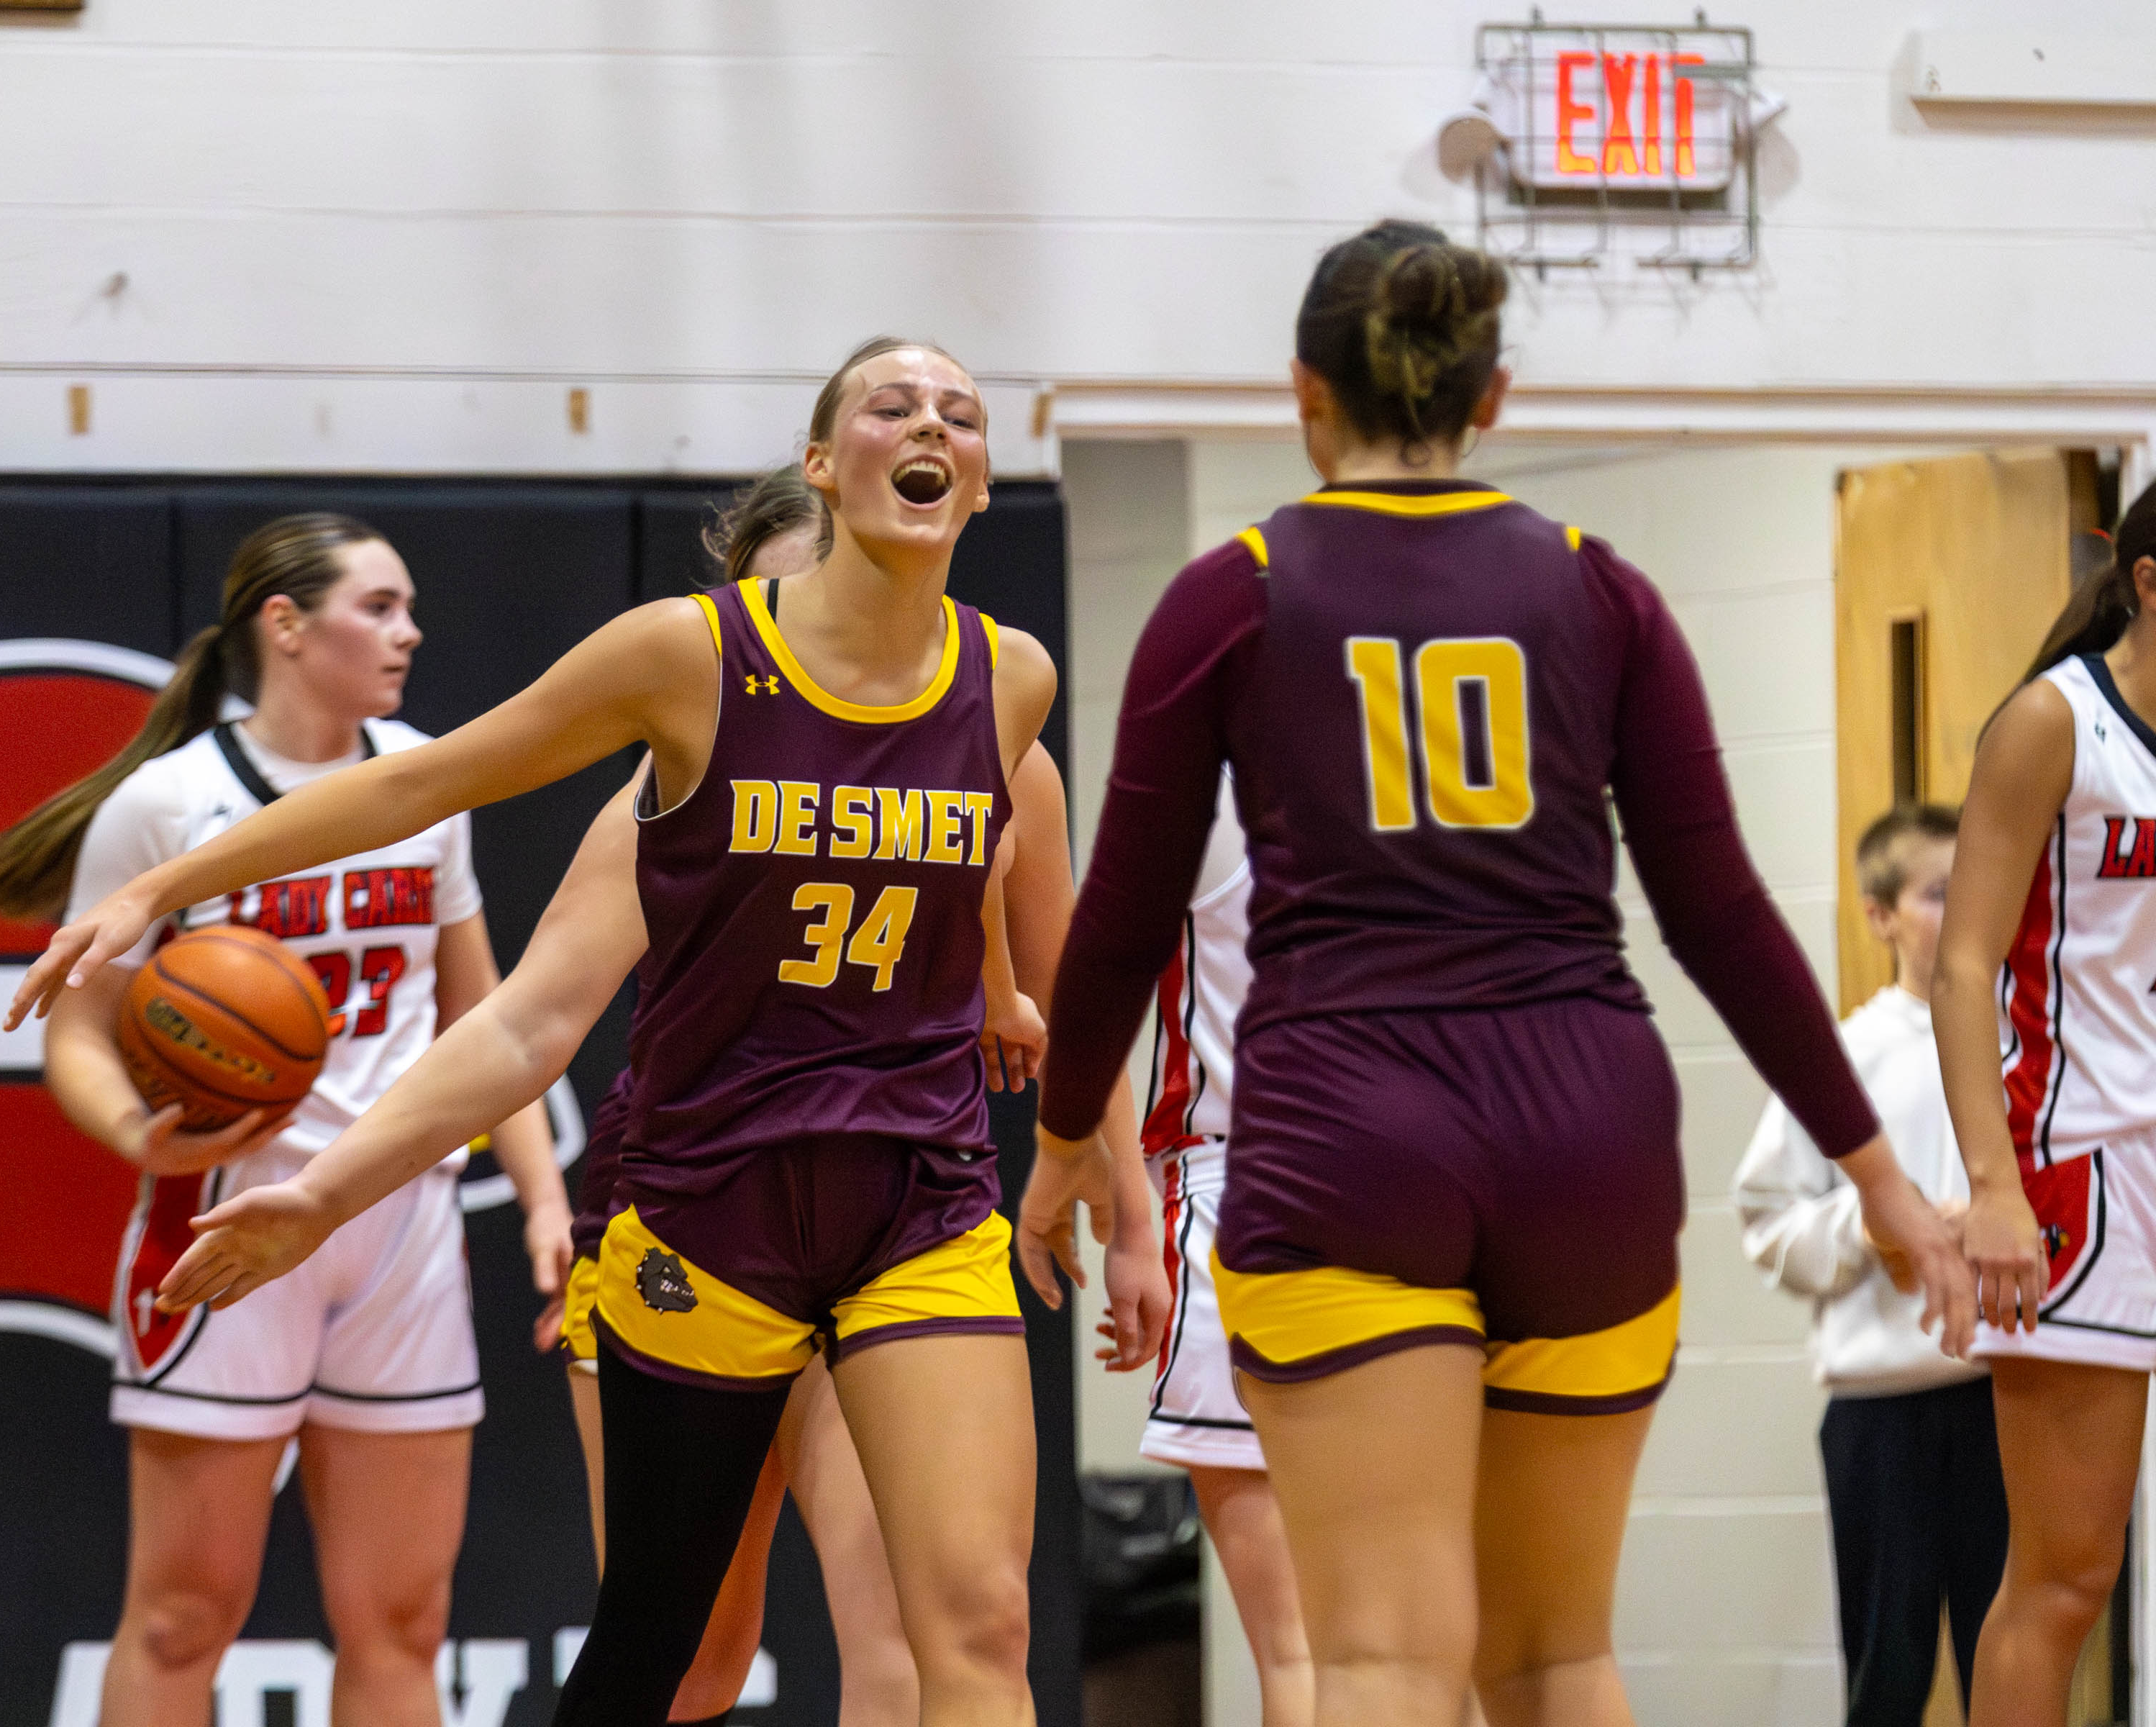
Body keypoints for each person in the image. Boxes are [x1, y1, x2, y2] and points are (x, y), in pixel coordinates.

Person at [7, 340, 1154, 1727]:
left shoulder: (1007, 680)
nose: (931, 426)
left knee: (977, 1622)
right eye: (891, 405)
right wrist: (166, 890)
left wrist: (1080, 1132)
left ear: (975, 483)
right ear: (820, 460)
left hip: (921, 1197)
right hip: (707, 1201)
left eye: (961, 415)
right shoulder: (690, 659)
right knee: (665, 1648)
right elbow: (451, 842)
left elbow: (1000, 910)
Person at [1025, 220, 1975, 1727]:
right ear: (1496, 394)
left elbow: (1122, 921)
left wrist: (1068, 1137)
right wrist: (1879, 1174)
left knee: (1386, 1663)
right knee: (1556, 1658)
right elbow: (1721, 914)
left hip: (1350, 1124)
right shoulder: (1603, 588)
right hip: (1585, 1130)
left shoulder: (1232, 592)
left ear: (1302, 392)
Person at [548, 466, 1159, 1727]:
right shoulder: (689, 755)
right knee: (699, 1649)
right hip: (698, 1195)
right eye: (786, 603)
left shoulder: (1001, 745)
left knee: (942, 1619)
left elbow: (1071, 992)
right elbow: (529, 1017)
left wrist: (1130, 1204)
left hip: (894, 1197)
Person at [0, 513, 570, 1727]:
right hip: (226, 1218)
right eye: (378, 607)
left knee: (403, 1622)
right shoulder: (169, 804)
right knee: (186, 1615)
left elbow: (484, 1018)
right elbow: (78, 1033)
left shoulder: (426, 779)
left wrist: (548, 1198)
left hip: (399, 1227)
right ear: (284, 626)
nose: (409, 632)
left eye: (408, 608)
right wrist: (141, 1139)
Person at [1934, 461, 2156, 1727]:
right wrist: (1989, 1186)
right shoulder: (2055, 724)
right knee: (2065, 1576)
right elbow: (1963, 962)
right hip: (2082, 1160)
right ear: (2151, 585)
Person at [1734, 804, 2003, 1726]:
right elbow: (1768, 1219)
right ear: (1879, 915)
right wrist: (1875, 1225)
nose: (1964, 906)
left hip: (2009, 1402)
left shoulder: (2025, 1045)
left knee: (2006, 1665)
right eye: (1937, 891)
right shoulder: (1842, 1061)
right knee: (1887, 1672)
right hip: (1881, 1418)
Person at [1130, 768, 1314, 1727]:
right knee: (1403, 1647)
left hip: (1241, 1193)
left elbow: (1099, 974)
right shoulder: (1429, 783)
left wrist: (1115, 1205)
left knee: (1298, 1650)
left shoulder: (1203, 786)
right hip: (1416, 1201)